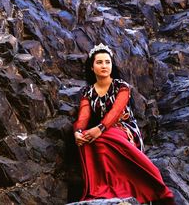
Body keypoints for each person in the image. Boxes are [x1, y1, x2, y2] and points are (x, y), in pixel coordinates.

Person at [73, 43, 175, 204]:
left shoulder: (121, 86)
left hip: (123, 127)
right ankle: (101, 187)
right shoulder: (88, 92)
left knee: (101, 138)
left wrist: (99, 128)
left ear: (112, 65)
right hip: (102, 129)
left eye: (107, 62)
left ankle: (139, 186)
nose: (104, 65)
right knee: (85, 140)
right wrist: (78, 132)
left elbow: (116, 111)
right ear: (92, 67)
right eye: (99, 62)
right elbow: (84, 115)